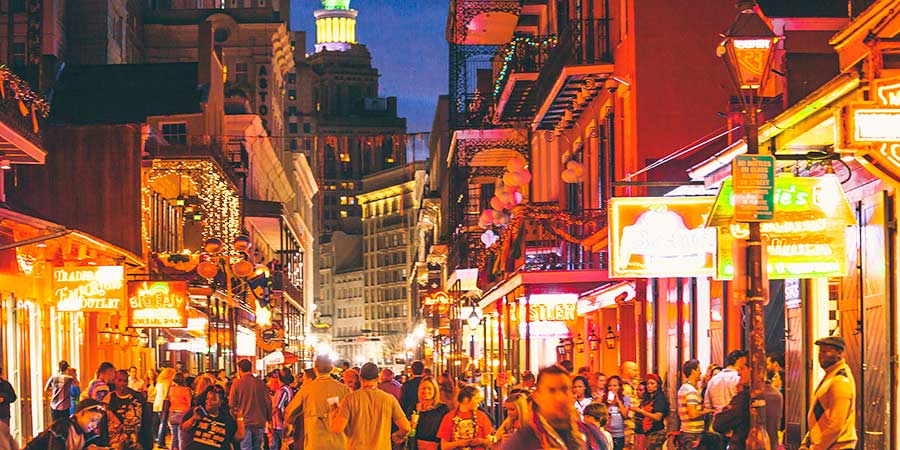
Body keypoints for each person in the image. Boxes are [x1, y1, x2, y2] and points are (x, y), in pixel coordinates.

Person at [501, 365, 606, 450]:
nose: (559, 398)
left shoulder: (591, 434)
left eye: (564, 389)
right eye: (552, 391)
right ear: (538, 397)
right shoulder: (522, 442)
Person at [329, 362, 410, 450]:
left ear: (360, 378)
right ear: (378, 378)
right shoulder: (389, 399)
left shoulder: (349, 399)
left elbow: (337, 428)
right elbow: (406, 427)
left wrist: (332, 415)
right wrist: (398, 435)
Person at [799, 336, 856, 450]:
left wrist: (817, 447)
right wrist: (807, 442)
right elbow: (820, 415)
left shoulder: (840, 380)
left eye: (827, 351)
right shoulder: (831, 376)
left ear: (839, 353)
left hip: (836, 446)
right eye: (820, 351)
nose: (821, 356)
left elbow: (835, 424)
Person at [283, 355, 350, 450]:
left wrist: (285, 439)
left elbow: (289, 414)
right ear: (331, 368)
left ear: (315, 369)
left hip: (315, 442)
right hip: (339, 443)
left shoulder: (306, 390)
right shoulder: (344, 390)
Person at [712, 362, 782, 450]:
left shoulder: (746, 396)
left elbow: (718, 423)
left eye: (742, 369)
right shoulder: (776, 395)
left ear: (753, 370)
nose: (738, 373)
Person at [24, 399, 106, 450]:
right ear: (82, 413)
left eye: (97, 422)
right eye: (93, 420)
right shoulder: (62, 427)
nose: (95, 425)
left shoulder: (85, 434)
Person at [180, 386, 245, 450]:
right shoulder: (198, 412)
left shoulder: (226, 419)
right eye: (207, 399)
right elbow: (184, 428)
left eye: (213, 399)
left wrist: (239, 418)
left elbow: (239, 437)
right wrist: (193, 419)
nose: (208, 401)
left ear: (220, 402)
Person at [104, 369, 152, 450]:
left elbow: (146, 421)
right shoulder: (109, 400)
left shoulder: (138, 398)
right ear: (114, 381)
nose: (123, 384)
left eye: (125, 381)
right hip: (115, 444)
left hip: (136, 443)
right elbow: (104, 424)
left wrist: (148, 444)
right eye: (119, 380)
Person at [229, 360, 271, 450]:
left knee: (246, 447)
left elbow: (231, 404)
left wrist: (235, 418)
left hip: (244, 422)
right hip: (259, 421)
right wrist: (269, 418)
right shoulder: (260, 383)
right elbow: (268, 402)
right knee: (257, 446)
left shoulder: (237, 383)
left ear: (240, 369)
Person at [436, 385, 493, 450]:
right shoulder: (448, 417)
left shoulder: (482, 416)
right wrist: (458, 443)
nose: (479, 402)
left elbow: (489, 442)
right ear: (466, 399)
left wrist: (481, 441)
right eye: (477, 399)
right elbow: (444, 447)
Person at [676, 360, 715, 450]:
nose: (700, 373)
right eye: (699, 370)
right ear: (693, 371)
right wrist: (708, 411)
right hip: (693, 433)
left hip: (686, 431)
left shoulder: (683, 388)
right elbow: (693, 414)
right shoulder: (691, 391)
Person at [409, 376, 449, 450]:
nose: (426, 391)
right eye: (423, 388)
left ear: (435, 391)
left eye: (430, 388)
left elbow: (446, 433)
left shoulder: (442, 409)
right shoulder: (413, 408)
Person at [631, 374, 667, 450]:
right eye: (648, 384)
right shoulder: (650, 398)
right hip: (649, 433)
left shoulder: (659, 399)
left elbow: (658, 417)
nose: (649, 386)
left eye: (652, 383)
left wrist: (640, 411)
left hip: (656, 432)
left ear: (657, 385)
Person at [603, 375, 630, 450]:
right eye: (609, 386)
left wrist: (618, 402)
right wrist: (609, 403)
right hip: (607, 433)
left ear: (619, 387)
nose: (612, 388)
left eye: (614, 385)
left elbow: (625, 415)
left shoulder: (625, 398)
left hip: (619, 434)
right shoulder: (604, 398)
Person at [168, 373, 194, 450]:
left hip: (172, 413)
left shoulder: (171, 389)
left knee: (174, 437)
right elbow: (189, 403)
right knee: (182, 438)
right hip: (183, 413)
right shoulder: (186, 390)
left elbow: (169, 400)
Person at [269, 371, 294, 450]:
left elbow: (276, 408)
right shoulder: (287, 388)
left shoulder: (282, 390)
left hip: (280, 423)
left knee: (278, 446)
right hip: (281, 423)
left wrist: (267, 418)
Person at [155, 368, 176, 449]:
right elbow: (167, 394)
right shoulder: (167, 382)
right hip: (163, 404)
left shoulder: (159, 382)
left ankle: (160, 440)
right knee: (163, 423)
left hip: (157, 403)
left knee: (161, 423)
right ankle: (161, 442)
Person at [631, 382, 647, 450]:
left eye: (640, 390)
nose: (637, 392)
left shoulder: (648, 404)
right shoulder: (640, 403)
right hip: (637, 433)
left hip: (644, 435)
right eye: (637, 390)